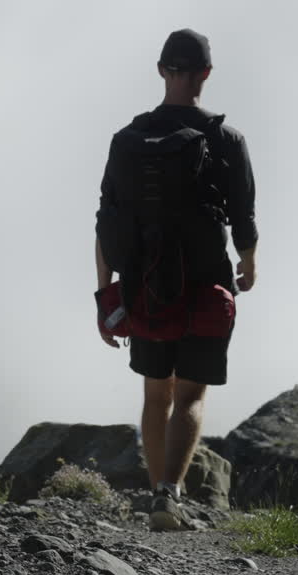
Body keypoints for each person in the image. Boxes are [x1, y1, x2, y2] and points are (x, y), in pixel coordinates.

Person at [94, 28, 258, 530]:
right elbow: (244, 218)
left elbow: (106, 223)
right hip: (205, 288)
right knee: (189, 396)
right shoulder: (226, 140)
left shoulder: (127, 139)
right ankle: (170, 495)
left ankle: (155, 497)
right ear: (205, 73)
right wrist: (248, 266)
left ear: (162, 70)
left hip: (145, 288)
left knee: (154, 393)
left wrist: (106, 297)